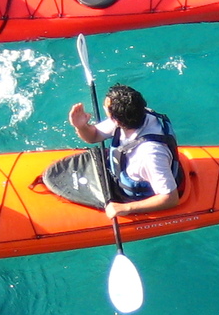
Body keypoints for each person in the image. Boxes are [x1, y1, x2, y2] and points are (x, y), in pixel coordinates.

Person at [67, 84, 185, 219]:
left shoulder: (151, 155)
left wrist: (126, 208)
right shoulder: (132, 114)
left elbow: (171, 197)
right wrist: (81, 126)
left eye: (106, 109)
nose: (104, 110)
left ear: (114, 119)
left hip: (143, 194)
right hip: (124, 173)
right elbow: (93, 136)